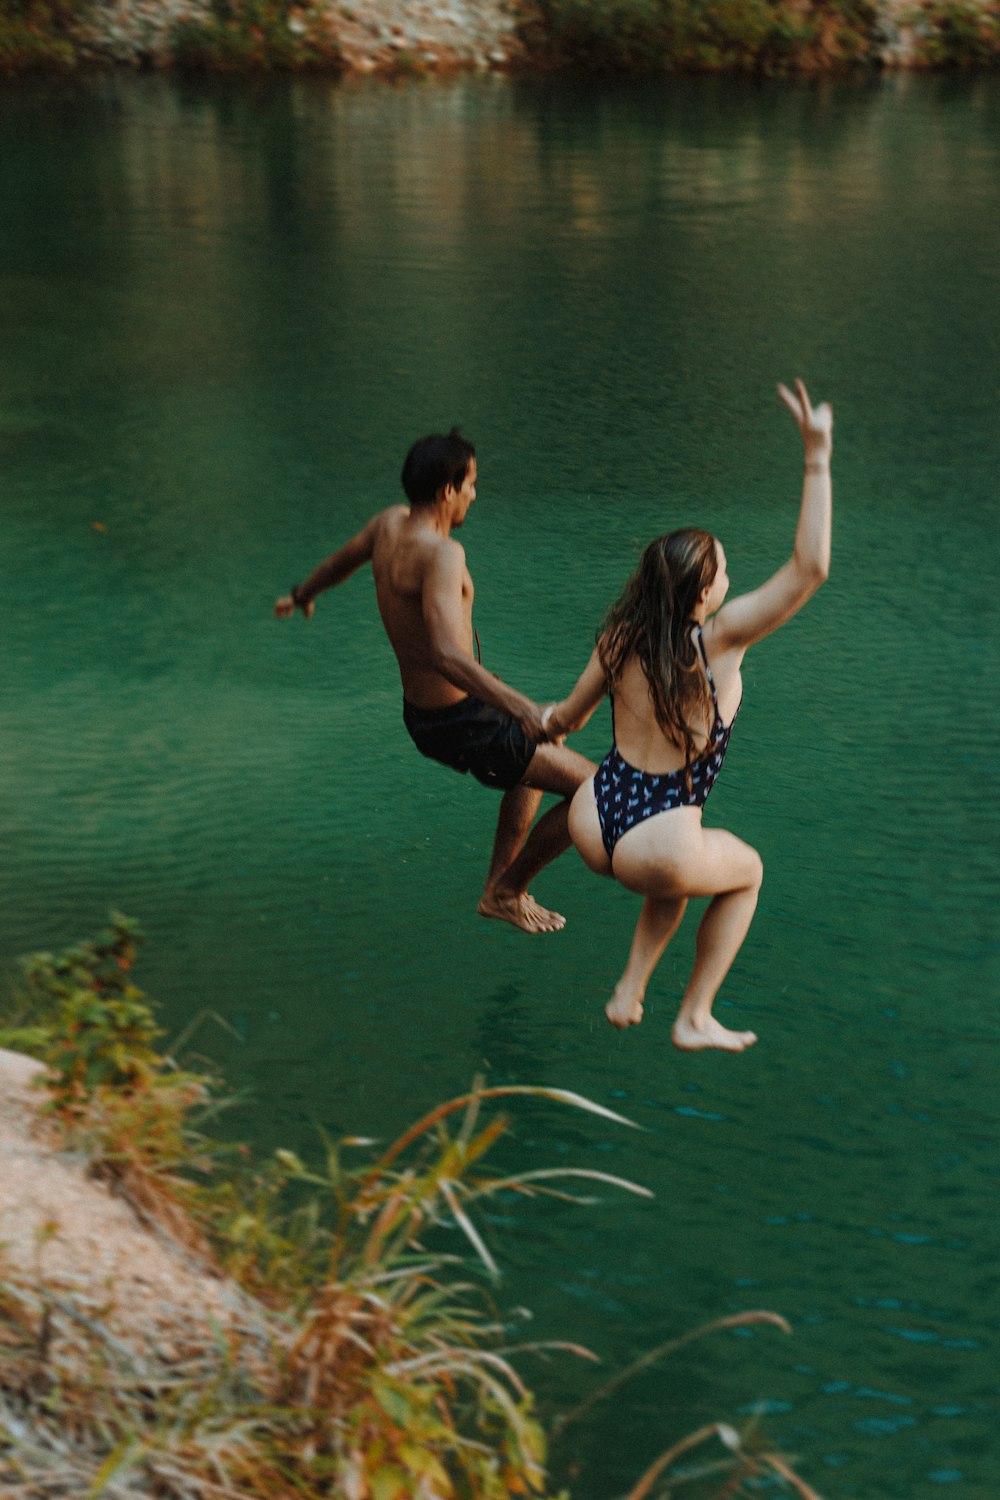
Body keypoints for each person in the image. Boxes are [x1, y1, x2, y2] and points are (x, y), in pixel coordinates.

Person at [542, 380, 832, 1051]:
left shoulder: (619, 639)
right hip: (659, 840)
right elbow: (809, 567)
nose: (731, 578)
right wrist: (815, 456)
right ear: (703, 592)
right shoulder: (717, 642)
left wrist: (535, 722)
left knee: (681, 864)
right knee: (745, 869)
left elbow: (565, 720)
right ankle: (695, 1014)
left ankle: (631, 986)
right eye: (725, 571)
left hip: (595, 817)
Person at [274, 429, 594, 934]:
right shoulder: (443, 555)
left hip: (431, 714)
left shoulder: (388, 525)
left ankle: (501, 888)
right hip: (463, 722)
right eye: (470, 484)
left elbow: (340, 563)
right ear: (448, 489)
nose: (474, 494)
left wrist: (301, 593)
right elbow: (446, 654)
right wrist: (524, 708)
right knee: (594, 790)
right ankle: (505, 891)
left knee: (548, 740)